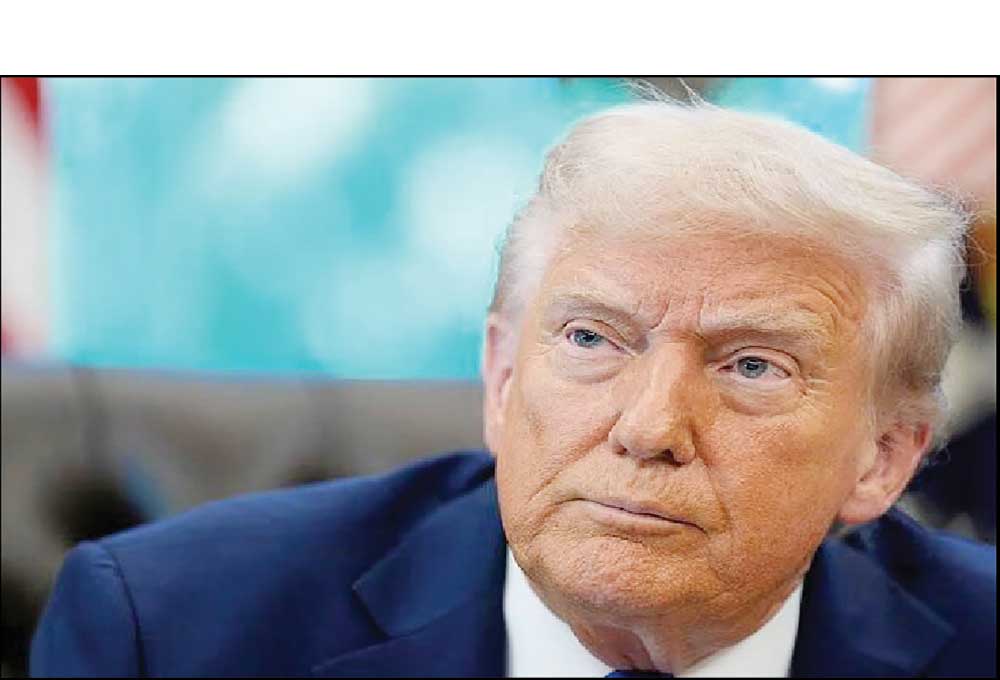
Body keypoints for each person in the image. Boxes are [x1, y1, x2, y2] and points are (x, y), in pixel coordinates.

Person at [30, 100, 995, 678]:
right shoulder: (169, 633)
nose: (650, 427)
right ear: (499, 378)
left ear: (882, 459)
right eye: (591, 338)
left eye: (752, 366)